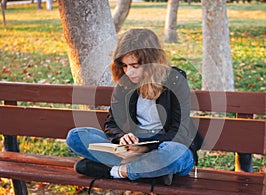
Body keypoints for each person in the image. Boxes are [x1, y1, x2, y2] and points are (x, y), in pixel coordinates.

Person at [66, 29, 203, 186]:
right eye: (124, 65)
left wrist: (146, 149)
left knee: (175, 155)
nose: (128, 72)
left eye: (134, 65)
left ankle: (114, 172)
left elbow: (180, 131)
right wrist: (122, 137)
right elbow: (112, 124)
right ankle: (150, 172)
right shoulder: (125, 84)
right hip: (133, 148)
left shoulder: (175, 81)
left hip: (166, 146)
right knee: (75, 136)